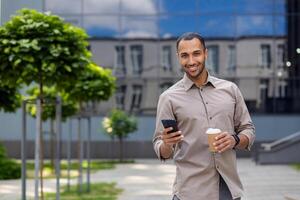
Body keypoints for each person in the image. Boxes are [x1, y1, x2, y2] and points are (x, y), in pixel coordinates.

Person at [153, 32, 255, 200]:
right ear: (178, 57)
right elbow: (161, 149)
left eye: (196, 53)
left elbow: (248, 130)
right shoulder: (169, 97)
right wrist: (166, 143)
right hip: (189, 192)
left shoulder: (230, 90)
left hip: (227, 190)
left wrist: (234, 140)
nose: (191, 61)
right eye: (184, 56)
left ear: (206, 53)